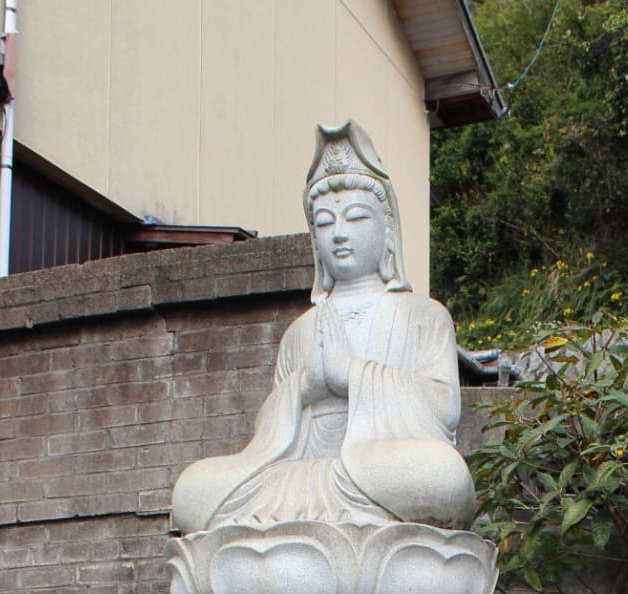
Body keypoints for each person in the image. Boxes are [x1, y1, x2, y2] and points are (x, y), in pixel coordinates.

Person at [169, 121, 477, 541]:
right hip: (297, 478)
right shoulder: (300, 331)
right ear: (314, 241)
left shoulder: (424, 316)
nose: (340, 235)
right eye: (325, 224)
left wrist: (349, 374)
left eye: (355, 218)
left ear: (388, 232)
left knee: (443, 480)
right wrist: (306, 387)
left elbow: (444, 409)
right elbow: (268, 434)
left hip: (380, 470)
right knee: (192, 491)